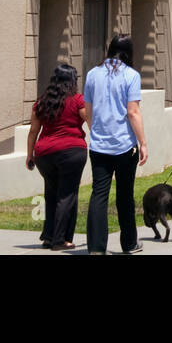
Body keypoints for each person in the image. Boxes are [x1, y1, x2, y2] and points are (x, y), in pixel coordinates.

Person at [84, 34, 148, 255]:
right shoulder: (131, 75)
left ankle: (95, 247)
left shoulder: (92, 74)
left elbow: (88, 112)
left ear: (109, 50)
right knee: (124, 195)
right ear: (129, 53)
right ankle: (129, 243)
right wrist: (143, 142)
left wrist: (96, 131)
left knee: (98, 194)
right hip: (124, 145)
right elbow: (133, 112)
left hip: (99, 145)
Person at [26, 63, 88, 251]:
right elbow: (91, 119)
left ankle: (49, 236)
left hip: (44, 154)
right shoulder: (78, 100)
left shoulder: (42, 102)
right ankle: (60, 240)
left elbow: (33, 131)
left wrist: (30, 155)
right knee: (67, 196)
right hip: (71, 151)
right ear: (72, 80)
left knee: (51, 194)